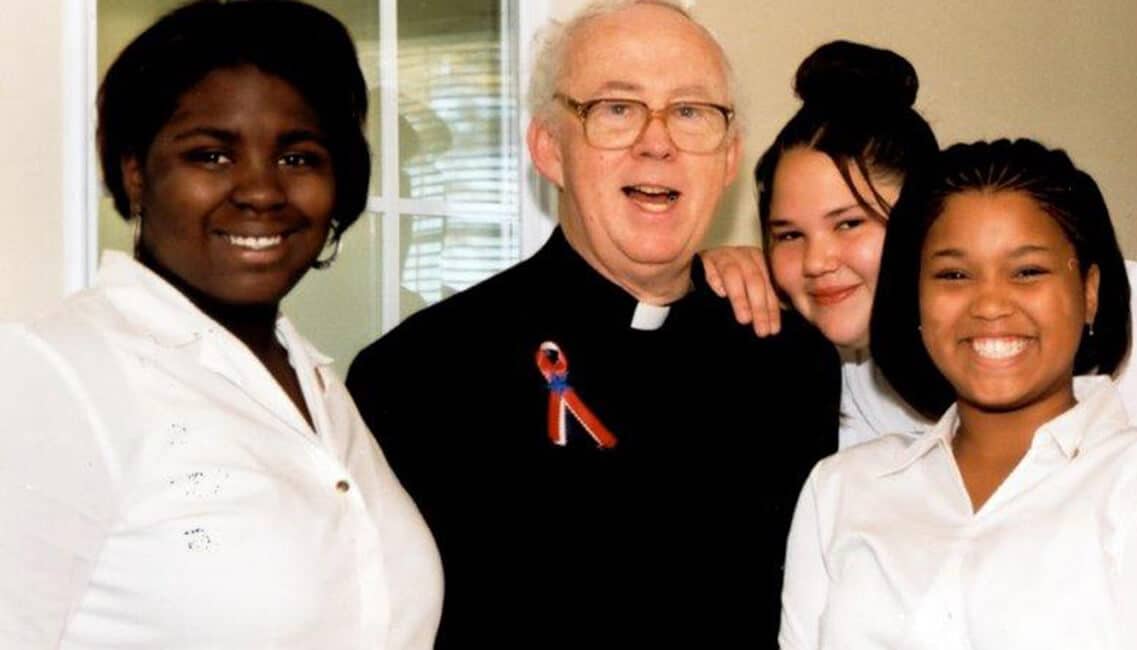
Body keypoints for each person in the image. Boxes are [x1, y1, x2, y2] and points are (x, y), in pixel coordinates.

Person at [344, 0, 841, 645]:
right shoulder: (418, 376)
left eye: (690, 112)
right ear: (549, 149)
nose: (657, 142)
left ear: (729, 158)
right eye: (617, 109)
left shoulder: (791, 363)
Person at [0, 1, 441, 648]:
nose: (261, 191)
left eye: (298, 158)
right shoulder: (55, 376)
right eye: (211, 155)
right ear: (134, 173)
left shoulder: (317, 386)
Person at [780, 138, 1137, 649]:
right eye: (954, 275)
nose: (990, 304)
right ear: (915, 300)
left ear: (1089, 292)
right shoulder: (841, 489)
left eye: (1027, 272)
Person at [705, 40, 1137, 446]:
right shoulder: (844, 391)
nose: (817, 261)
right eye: (789, 235)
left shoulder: (1134, 316)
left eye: (850, 224)